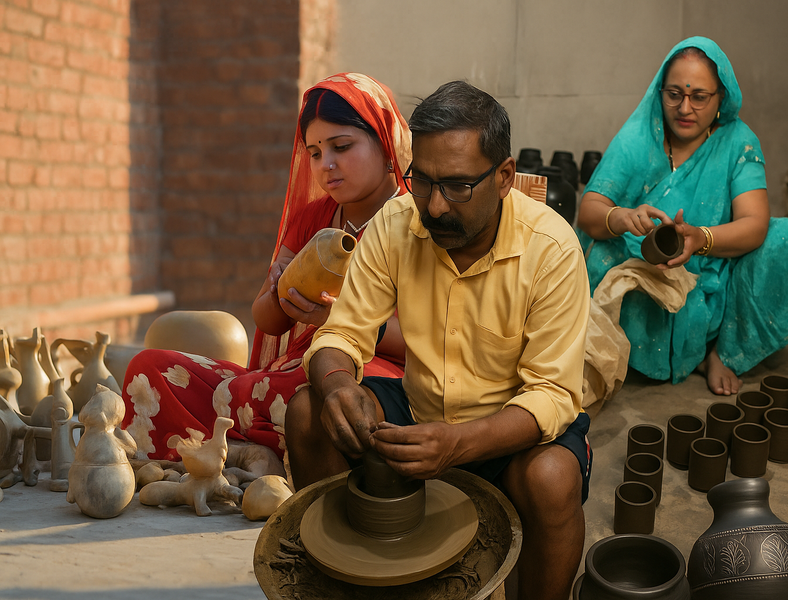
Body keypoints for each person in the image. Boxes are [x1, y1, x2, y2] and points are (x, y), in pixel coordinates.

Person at [286, 81, 591, 600]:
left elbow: (553, 394)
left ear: (504, 177)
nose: (435, 206)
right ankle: (347, 580)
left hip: (509, 431)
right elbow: (342, 332)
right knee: (308, 412)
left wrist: (458, 445)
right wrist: (337, 384)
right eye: (422, 181)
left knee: (552, 478)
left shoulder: (551, 247)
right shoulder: (397, 224)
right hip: (421, 412)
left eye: (456, 186)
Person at [121, 73, 411, 465]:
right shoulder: (314, 216)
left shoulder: (414, 222)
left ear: (385, 140)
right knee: (150, 369)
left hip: (364, 373)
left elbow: (429, 342)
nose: (326, 165)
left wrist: (337, 319)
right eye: (314, 152)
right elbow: (267, 320)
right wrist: (279, 289)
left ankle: (226, 454)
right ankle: (251, 455)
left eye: (342, 146)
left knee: (307, 389)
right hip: (278, 375)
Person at [576, 36, 788, 396]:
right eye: (674, 94)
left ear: (721, 97)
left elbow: (754, 225)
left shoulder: (738, 141)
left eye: (699, 97)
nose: (685, 108)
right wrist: (622, 217)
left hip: (715, 275)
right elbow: (589, 211)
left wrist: (701, 239)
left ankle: (722, 351)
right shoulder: (640, 136)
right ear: (660, 92)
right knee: (595, 254)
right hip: (648, 269)